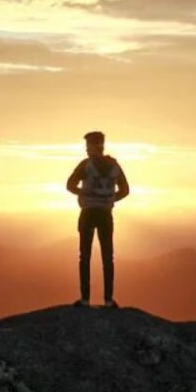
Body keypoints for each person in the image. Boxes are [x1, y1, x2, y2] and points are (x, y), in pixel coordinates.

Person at [66, 130, 130, 308]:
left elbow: (69, 185)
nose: (86, 150)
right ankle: (108, 300)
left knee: (84, 256)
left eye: (88, 146)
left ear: (95, 146)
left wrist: (84, 194)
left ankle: (85, 299)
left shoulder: (86, 165)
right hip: (105, 214)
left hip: (88, 213)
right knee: (108, 257)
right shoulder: (115, 166)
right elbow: (125, 190)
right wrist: (109, 199)